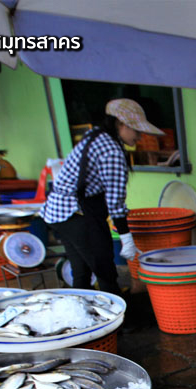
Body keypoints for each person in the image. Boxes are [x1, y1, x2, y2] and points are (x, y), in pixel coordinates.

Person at [42, 98, 163, 296]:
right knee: (104, 269)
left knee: (81, 271)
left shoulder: (95, 136)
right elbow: (115, 203)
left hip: (57, 211)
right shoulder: (112, 150)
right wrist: (126, 238)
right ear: (121, 124)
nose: (139, 137)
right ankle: (121, 321)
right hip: (75, 212)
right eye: (137, 131)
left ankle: (84, 316)